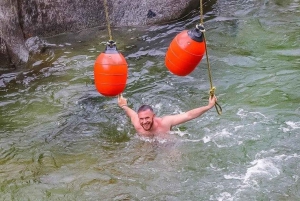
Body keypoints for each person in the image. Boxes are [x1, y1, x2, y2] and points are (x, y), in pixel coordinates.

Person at [118, 94, 217, 137]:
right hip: (147, 142)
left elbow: (188, 115)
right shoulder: (137, 123)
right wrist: (124, 105)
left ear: (153, 116)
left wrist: (209, 106)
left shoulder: (165, 122)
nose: (144, 122)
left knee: (172, 159)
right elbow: (130, 112)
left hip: (166, 142)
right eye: (142, 119)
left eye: (147, 118)